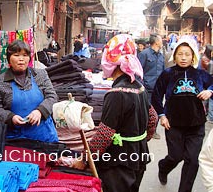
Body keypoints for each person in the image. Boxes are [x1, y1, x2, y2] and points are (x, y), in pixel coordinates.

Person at [74, 34, 157, 192]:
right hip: (139, 154)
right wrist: (138, 139)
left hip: (119, 160)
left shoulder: (116, 93)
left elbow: (105, 134)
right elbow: (152, 119)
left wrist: (85, 159)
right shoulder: (140, 87)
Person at [151, 35, 213, 192]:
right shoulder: (167, 74)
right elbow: (156, 96)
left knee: (193, 160)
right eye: (180, 54)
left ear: (193, 56)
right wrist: (161, 115)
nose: (184, 57)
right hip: (173, 123)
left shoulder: (200, 74)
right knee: (175, 156)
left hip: (196, 124)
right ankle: (163, 167)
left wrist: (209, 91)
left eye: (187, 54)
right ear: (174, 55)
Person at [0, 40, 59, 143]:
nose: (21, 59)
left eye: (25, 55)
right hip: (14, 138)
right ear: (9, 59)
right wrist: (10, 117)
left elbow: (52, 97)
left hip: (43, 135)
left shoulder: (41, 75)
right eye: (16, 55)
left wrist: (40, 111)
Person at [138, 33, 165, 139]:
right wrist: (141, 85)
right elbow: (139, 71)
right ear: (156, 42)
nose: (162, 42)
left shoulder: (161, 55)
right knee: (146, 110)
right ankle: (144, 130)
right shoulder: (144, 54)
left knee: (158, 110)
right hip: (147, 88)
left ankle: (153, 131)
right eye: (161, 40)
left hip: (158, 89)